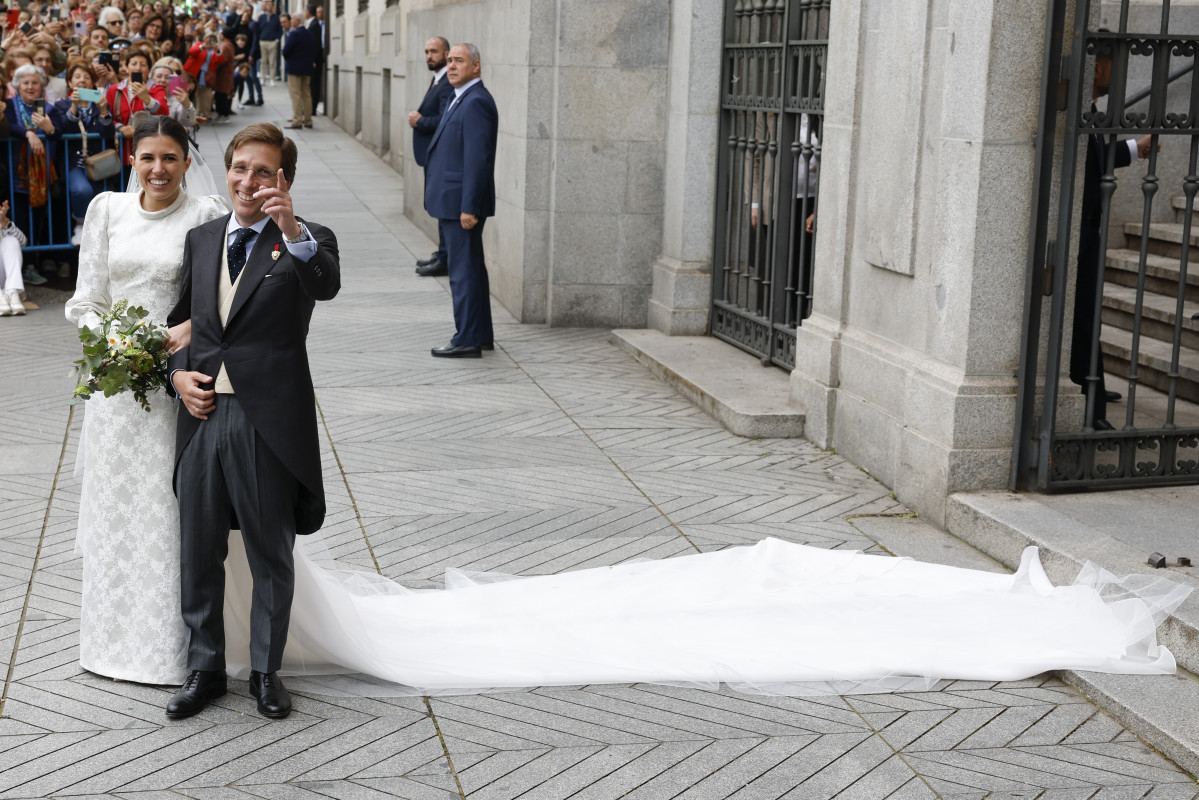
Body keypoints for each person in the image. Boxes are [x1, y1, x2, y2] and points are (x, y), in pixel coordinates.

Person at [165, 121, 340, 719]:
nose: (248, 181)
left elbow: (327, 284)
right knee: (199, 548)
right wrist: (176, 378)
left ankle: (266, 671)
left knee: (270, 551)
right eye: (240, 168)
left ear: (283, 179)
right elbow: (182, 325)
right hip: (204, 415)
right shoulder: (204, 238)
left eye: (263, 171)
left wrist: (291, 230)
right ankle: (204, 667)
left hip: (266, 422)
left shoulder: (307, 239)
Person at [64, 114, 229, 685]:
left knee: (169, 513)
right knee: (116, 510)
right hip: (116, 390)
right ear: (131, 158)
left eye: (170, 158)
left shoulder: (206, 216)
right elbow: (85, 302)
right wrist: (123, 348)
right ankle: (109, 644)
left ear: (187, 162)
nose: (158, 169)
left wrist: (173, 348)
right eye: (147, 157)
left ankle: (172, 652)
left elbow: (219, 305)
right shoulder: (106, 210)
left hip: (177, 391)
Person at [424, 42, 497, 358]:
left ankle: (467, 339)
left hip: (460, 206)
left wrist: (469, 206)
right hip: (453, 202)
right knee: (471, 270)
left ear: (476, 66)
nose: (451, 66)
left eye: (459, 61)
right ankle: (479, 335)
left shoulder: (476, 101)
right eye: (450, 60)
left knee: (463, 273)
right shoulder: (461, 97)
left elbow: (478, 160)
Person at [58, 61, 115, 245]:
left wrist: (104, 111)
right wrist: (73, 107)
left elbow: (107, 133)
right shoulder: (62, 104)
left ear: (92, 82)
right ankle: (80, 225)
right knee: (82, 190)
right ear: (69, 82)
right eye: (77, 77)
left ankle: (99, 236)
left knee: (101, 198)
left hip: (98, 162)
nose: (82, 80)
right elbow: (62, 128)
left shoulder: (98, 102)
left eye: (86, 77)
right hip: (73, 162)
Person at [409, 35, 452, 277]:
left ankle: (444, 258)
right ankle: (442, 253)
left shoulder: (446, 82)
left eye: (434, 51)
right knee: (435, 204)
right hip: (431, 156)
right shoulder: (437, 79)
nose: (429, 56)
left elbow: (444, 121)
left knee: (439, 205)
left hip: (438, 156)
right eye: (426, 51)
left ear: (445, 54)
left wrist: (419, 121)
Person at [281, 11, 313, 129]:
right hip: (307, 68)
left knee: (295, 94)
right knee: (306, 94)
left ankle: (297, 120)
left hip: (294, 68)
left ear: (298, 21)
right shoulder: (309, 34)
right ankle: (308, 120)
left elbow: (286, 51)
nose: (291, 21)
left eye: (293, 19)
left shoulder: (294, 34)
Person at [0, 199, 29, 316]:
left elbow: (23, 241)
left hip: (4, 279)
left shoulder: (4, 224)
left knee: (11, 241)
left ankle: (12, 292)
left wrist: (5, 224)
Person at [254, 0, 279, 84]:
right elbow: (258, 29)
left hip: (272, 41)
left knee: (272, 61)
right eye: (267, 5)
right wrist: (259, 39)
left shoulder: (276, 17)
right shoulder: (261, 17)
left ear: (272, 6)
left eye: (270, 5)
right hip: (263, 41)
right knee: (263, 61)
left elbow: (279, 30)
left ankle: (272, 79)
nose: (269, 7)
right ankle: (263, 78)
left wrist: (277, 39)